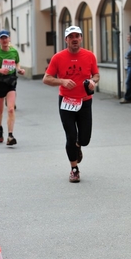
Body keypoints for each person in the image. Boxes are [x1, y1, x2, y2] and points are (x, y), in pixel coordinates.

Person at [43, 25, 99, 183]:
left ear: (81, 38)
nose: (74, 39)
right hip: (66, 101)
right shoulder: (58, 57)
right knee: (70, 136)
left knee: (85, 139)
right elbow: (46, 78)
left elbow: (96, 74)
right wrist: (61, 81)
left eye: (77, 36)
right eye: (71, 36)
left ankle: (78, 146)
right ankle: (74, 169)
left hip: (85, 101)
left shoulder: (89, 56)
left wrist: (93, 81)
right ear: (66, 39)